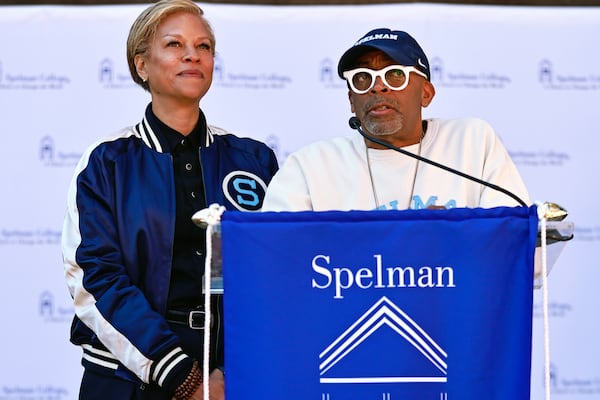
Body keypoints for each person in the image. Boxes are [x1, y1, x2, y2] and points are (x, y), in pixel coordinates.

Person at [61, 1, 278, 399]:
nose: (192, 55)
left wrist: (229, 372)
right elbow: (96, 279)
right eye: (175, 44)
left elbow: (275, 275)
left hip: (231, 382)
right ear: (141, 65)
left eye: (204, 46)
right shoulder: (108, 162)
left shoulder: (253, 160)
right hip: (127, 378)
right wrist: (182, 375)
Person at [261, 28, 529, 212]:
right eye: (362, 78)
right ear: (352, 100)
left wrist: (454, 231)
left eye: (394, 75)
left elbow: (520, 249)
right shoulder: (310, 166)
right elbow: (272, 257)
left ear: (426, 93)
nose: (378, 87)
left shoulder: (471, 141)